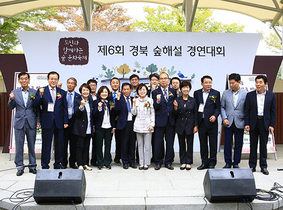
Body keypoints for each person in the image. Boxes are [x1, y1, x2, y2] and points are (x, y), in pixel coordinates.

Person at [34, 71, 68, 169]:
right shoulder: (42, 90)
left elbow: (64, 108)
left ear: (58, 80)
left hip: (59, 122)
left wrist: (65, 121)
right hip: (47, 121)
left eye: (55, 79)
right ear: (48, 79)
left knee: (59, 144)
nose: (53, 81)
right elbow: (36, 106)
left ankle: (57, 163)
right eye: (51, 79)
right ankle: (45, 165)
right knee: (46, 145)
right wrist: (40, 96)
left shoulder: (61, 92)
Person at [245, 75, 276, 175]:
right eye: (256, 82)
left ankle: (263, 166)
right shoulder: (250, 95)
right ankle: (252, 166)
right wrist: (247, 123)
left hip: (265, 123)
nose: (258, 84)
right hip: (254, 122)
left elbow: (273, 112)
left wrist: (271, 125)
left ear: (265, 84)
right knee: (253, 145)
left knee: (263, 146)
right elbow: (247, 111)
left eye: (260, 82)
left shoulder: (271, 95)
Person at [8, 72, 38, 176]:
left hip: (31, 122)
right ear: (19, 80)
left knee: (31, 145)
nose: (24, 80)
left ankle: (32, 166)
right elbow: (10, 107)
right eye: (22, 79)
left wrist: (38, 120)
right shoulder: (14, 92)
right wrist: (11, 100)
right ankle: (20, 167)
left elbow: (37, 108)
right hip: (19, 122)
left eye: (26, 78)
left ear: (29, 80)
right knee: (19, 145)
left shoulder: (34, 92)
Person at [193, 75, 220, 170]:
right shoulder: (196, 93)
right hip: (201, 123)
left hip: (212, 123)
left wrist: (215, 116)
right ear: (202, 84)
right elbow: (195, 109)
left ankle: (212, 162)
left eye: (210, 82)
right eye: (206, 82)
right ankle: (204, 162)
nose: (208, 84)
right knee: (203, 144)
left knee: (213, 144)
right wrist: (196, 124)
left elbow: (218, 107)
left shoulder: (216, 93)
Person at [221, 73, 247, 168]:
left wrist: (246, 122)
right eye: (230, 83)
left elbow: (247, 109)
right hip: (228, 122)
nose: (231, 85)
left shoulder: (245, 94)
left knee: (238, 143)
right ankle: (228, 162)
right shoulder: (225, 93)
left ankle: (236, 162)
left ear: (239, 82)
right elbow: (222, 107)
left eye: (233, 83)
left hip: (240, 122)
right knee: (227, 143)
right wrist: (224, 118)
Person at [152, 72, 176, 170]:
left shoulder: (173, 91)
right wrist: (157, 101)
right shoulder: (155, 92)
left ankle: (168, 162)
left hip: (170, 121)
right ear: (158, 81)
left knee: (170, 143)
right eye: (161, 78)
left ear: (168, 80)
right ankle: (158, 162)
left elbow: (174, 104)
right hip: (159, 121)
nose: (163, 80)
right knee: (158, 143)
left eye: (165, 78)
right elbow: (154, 107)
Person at [173, 81, 198, 170]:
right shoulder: (177, 100)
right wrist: (175, 108)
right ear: (181, 89)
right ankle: (183, 161)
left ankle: (189, 162)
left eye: (187, 87)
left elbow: (195, 114)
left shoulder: (193, 100)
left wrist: (196, 125)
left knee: (190, 144)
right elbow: (175, 114)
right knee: (181, 144)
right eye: (183, 88)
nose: (185, 89)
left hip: (190, 125)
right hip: (180, 124)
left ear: (190, 89)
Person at [132, 84, 155, 170]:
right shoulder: (136, 100)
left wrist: (152, 124)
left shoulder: (150, 100)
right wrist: (134, 104)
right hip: (138, 125)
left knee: (148, 145)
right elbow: (134, 113)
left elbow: (152, 113)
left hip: (148, 124)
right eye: (140, 90)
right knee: (140, 145)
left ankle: (147, 162)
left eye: (144, 89)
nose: (142, 91)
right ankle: (141, 162)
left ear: (146, 91)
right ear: (138, 91)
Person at [115, 83, 137, 169]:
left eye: (128, 89)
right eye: (124, 89)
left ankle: (132, 161)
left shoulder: (133, 99)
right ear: (122, 90)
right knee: (124, 143)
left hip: (133, 123)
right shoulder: (119, 99)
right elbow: (117, 109)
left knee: (132, 143)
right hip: (123, 124)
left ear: (130, 90)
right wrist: (117, 99)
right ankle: (125, 161)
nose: (126, 91)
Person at [93, 86, 115, 170]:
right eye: (102, 92)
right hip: (100, 127)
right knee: (99, 146)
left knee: (108, 145)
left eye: (106, 92)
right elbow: (94, 115)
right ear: (99, 93)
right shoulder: (96, 102)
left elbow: (113, 113)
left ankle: (107, 162)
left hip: (109, 126)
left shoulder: (110, 102)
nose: (104, 93)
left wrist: (114, 126)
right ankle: (100, 162)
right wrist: (99, 108)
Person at [73, 83, 93, 171]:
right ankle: (79, 164)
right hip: (80, 128)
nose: (85, 92)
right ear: (81, 91)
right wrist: (81, 106)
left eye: (87, 90)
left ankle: (85, 163)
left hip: (88, 127)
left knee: (86, 147)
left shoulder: (90, 100)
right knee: (79, 147)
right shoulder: (77, 100)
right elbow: (76, 113)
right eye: (84, 90)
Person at [62, 77, 81, 169]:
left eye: (72, 83)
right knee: (63, 143)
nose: (70, 85)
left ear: (75, 85)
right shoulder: (62, 94)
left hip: (74, 121)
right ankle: (64, 162)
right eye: (68, 83)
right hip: (64, 121)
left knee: (74, 144)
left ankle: (72, 162)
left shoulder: (78, 96)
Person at [109, 77, 122, 165]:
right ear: (110, 84)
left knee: (119, 140)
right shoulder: (108, 94)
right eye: (113, 83)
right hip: (109, 119)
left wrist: (118, 115)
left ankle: (118, 157)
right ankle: (108, 158)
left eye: (117, 83)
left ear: (119, 84)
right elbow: (110, 106)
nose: (115, 84)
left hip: (119, 120)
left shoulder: (122, 94)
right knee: (108, 140)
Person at [148, 73, 159, 162]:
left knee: (157, 139)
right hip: (147, 118)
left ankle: (157, 157)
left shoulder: (161, 91)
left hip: (158, 117)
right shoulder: (146, 91)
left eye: (156, 80)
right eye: (152, 80)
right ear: (150, 81)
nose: (154, 81)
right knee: (149, 139)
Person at [87, 79, 98, 166]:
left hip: (97, 123)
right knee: (86, 144)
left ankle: (94, 160)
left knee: (96, 143)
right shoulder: (86, 97)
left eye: (94, 85)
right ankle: (85, 161)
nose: (93, 87)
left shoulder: (99, 96)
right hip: (88, 123)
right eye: (91, 85)